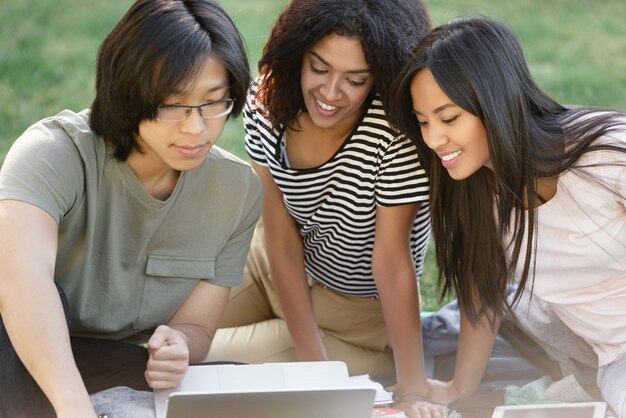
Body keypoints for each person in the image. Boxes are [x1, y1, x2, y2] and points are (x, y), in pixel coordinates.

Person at [0, 0, 261, 416]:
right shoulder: (50, 155)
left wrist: (177, 346)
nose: (196, 127)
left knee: (244, 392)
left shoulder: (237, 190)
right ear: (128, 91)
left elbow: (195, 328)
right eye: (174, 104)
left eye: (214, 102)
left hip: (111, 362)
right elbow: (20, 286)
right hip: (17, 351)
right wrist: (73, 406)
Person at [206, 0, 445, 416]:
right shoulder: (268, 99)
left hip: (350, 315)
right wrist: (314, 369)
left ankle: (371, 360)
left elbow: (391, 263)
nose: (331, 94)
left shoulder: (394, 136)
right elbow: (279, 237)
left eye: (355, 79)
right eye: (319, 68)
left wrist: (410, 388)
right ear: (297, 53)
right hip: (269, 265)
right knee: (163, 330)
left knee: (192, 361)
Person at [389, 15, 626, 417]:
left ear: (495, 102)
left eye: (449, 119)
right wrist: (458, 387)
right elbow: (483, 288)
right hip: (614, 359)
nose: (433, 139)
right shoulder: (476, 195)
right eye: (423, 121)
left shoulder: (605, 155)